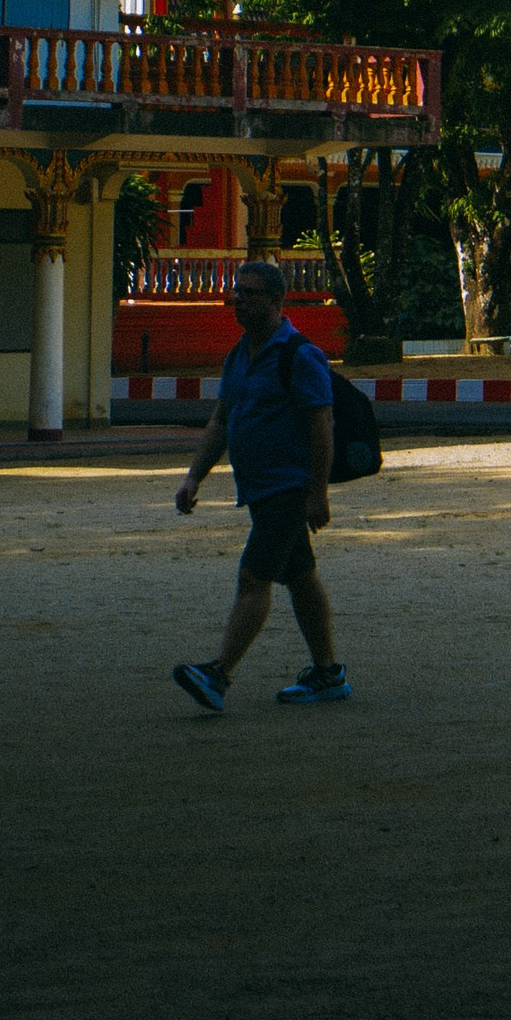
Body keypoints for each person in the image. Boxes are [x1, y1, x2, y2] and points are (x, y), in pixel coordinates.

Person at [170, 256, 352, 708]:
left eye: (249, 293)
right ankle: (327, 674)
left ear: (275, 301)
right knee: (301, 576)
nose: (237, 299)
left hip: (287, 489)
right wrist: (195, 476)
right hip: (258, 487)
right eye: (237, 291)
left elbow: (321, 425)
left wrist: (316, 492)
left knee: (254, 577)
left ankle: (217, 675)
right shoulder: (239, 354)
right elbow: (221, 420)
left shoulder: (299, 354)